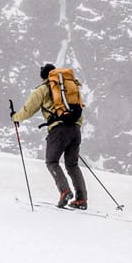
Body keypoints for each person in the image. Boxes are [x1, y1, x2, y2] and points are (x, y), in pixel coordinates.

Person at [11, 63, 88, 209]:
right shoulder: (69, 87)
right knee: (72, 165)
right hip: (76, 129)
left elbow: (28, 109)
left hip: (59, 130)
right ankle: (81, 199)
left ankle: (64, 191)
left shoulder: (43, 89)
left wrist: (15, 117)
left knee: (51, 162)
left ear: (43, 77)